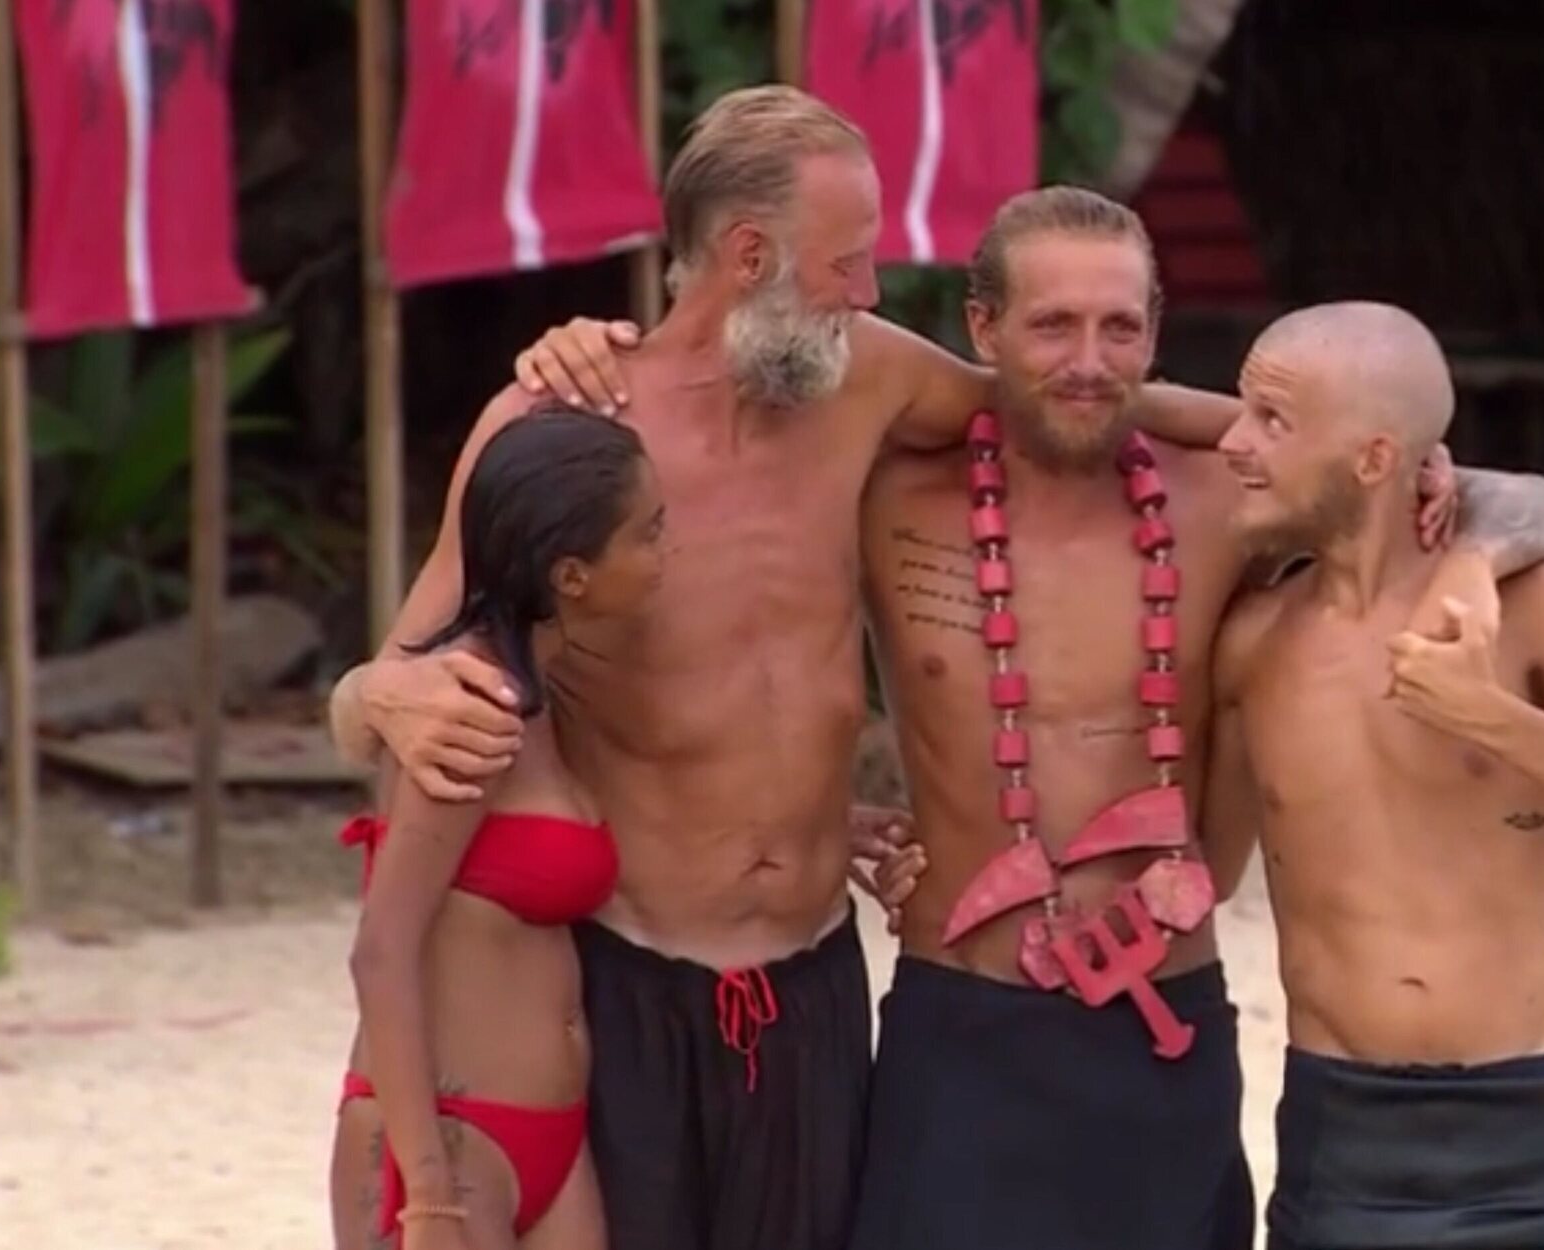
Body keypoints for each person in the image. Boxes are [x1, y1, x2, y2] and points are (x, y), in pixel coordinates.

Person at [329, 86, 1269, 1250]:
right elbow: (392, 684)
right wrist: (370, 693)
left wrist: (1307, 439)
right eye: (847, 260)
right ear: (748, 256)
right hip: (635, 974)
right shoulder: (560, 425)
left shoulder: (864, 378)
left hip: (814, 983)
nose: (868, 290)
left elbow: (1052, 391)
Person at [841, 189, 1544, 1250]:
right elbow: (724, 594)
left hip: (1164, 1023)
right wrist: (814, 819)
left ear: (1154, 334)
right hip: (962, 1028)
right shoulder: (889, 496)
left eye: (1119, 328)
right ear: (982, 327)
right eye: (1052, 325)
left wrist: (1470, 552)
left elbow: (1525, 498)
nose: (1087, 359)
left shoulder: (1223, 496)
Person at [1209, 301, 1544, 1250]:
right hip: (1340, 1135)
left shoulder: (1529, 605)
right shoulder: (1253, 641)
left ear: (1373, 458)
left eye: (1271, 419)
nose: (1234, 440)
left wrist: (1489, 716)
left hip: (1538, 1128)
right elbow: (1207, 869)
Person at [329, 405, 667, 1250]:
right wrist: (428, 1197)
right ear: (572, 575)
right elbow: (381, 950)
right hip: (451, 1137)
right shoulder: (469, 707)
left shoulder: (548, 698)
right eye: (649, 533)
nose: (668, 554)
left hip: (553, 1140)